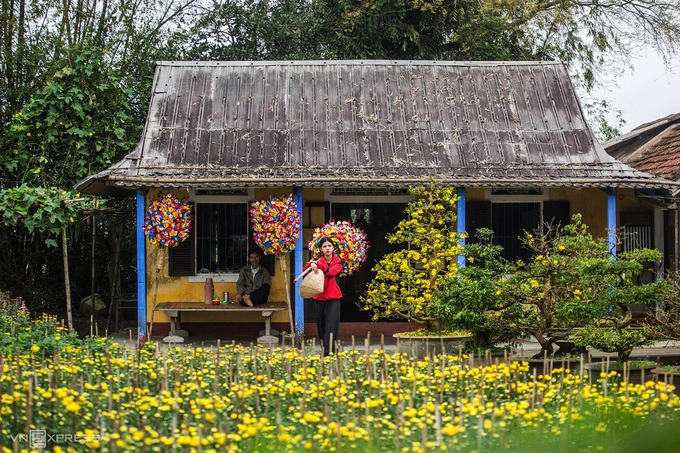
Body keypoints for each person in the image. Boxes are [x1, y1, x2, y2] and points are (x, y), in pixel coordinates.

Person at [303, 237, 344, 356]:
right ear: (321, 249)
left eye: (329, 246)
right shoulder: (317, 260)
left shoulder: (338, 261)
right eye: (324, 246)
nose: (327, 248)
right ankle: (324, 348)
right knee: (321, 325)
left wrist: (318, 264)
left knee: (332, 325)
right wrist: (311, 264)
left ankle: (329, 351)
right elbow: (305, 270)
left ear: (333, 248)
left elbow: (331, 272)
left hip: (334, 298)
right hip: (319, 297)